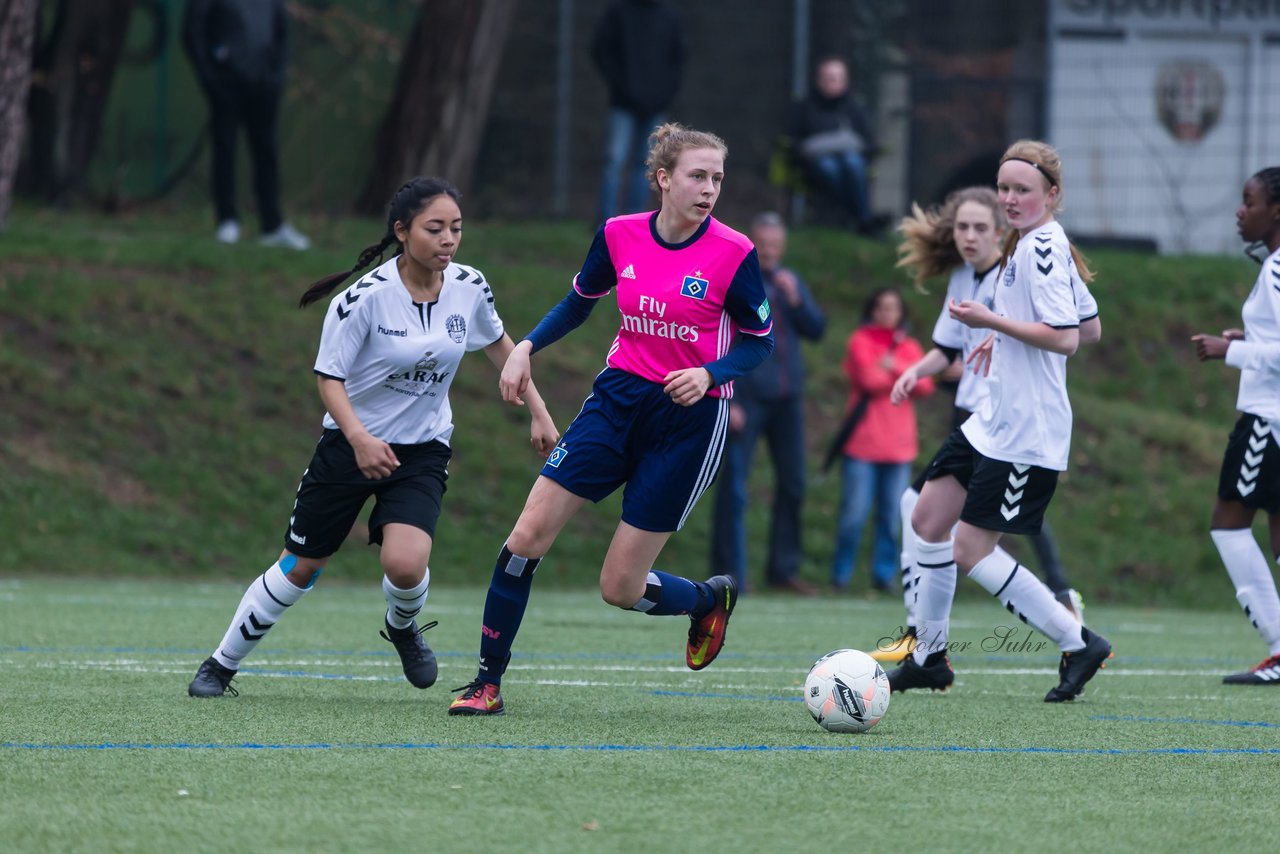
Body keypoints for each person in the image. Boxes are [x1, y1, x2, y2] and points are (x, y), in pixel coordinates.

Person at [448, 123, 775, 716]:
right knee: (525, 538)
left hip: (689, 420)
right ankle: (486, 682)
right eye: (698, 176)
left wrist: (710, 373)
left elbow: (760, 342)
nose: (709, 189)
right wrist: (526, 347)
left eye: (717, 178)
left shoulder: (735, 252)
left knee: (619, 589)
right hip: (617, 400)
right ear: (663, 179)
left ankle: (706, 599)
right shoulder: (620, 235)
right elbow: (580, 302)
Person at [186, 177, 559, 698]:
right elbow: (328, 378)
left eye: (456, 228)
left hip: (423, 449)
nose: (449, 239)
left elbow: (502, 347)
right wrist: (359, 438)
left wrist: (538, 413)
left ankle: (403, 629)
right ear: (402, 232)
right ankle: (220, 666)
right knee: (301, 566)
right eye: (435, 229)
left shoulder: (470, 286)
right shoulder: (362, 300)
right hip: (349, 448)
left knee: (406, 566)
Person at [883, 141, 1113, 703]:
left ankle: (1076, 639)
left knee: (969, 549)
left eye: (1022, 190)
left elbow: (1067, 341)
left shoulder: (1039, 251)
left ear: (1051, 195)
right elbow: (1090, 327)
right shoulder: (1030, 244)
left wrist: (994, 322)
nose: (1010, 198)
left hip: (1027, 430)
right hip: (990, 420)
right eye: (1004, 188)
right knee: (927, 519)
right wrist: (999, 335)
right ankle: (928, 656)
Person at [1191, 166, 1280, 685]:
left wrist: (1232, 350)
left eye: (1249, 202)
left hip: (1267, 419)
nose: (1239, 211)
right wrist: (1245, 336)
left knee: (1228, 524)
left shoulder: (1275, 270)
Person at [710, 212, 826, 596]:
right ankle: (728, 574)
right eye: (765, 245)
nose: (771, 252)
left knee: (793, 483)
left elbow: (817, 329)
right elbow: (724, 340)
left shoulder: (789, 281)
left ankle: (783, 569)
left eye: (777, 245)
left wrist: (797, 300)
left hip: (786, 398)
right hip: (747, 397)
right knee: (734, 489)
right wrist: (732, 398)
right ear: (753, 243)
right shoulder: (739, 279)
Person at [182, 0, 310, 249]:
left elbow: (281, 32)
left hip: (264, 83)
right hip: (226, 82)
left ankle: (272, 225)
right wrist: (211, 78)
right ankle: (227, 221)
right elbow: (192, 32)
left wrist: (275, 77)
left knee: (266, 151)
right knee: (225, 148)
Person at [830, 288, 934, 593]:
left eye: (894, 308)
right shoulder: (860, 340)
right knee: (854, 516)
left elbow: (926, 386)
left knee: (892, 519)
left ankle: (884, 576)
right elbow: (869, 380)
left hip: (899, 448)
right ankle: (840, 575)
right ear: (872, 310)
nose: (888, 313)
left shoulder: (909, 346)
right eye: (882, 307)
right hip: (862, 444)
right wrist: (906, 375)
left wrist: (893, 367)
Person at [591, 0, 685, 222]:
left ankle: (636, 220)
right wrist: (622, 87)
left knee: (649, 164)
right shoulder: (618, 12)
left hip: (655, 105)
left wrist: (664, 95)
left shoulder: (667, 16)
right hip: (622, 104)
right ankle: (605, 220)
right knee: (614, 160)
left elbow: (678, 59)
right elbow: (600, 51)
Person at [790, 56, 881, 234]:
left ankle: (854, 217)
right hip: (814, 166)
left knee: (852, 162)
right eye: (827, 77)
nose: (831, 82)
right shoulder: (805, 107)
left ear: (845, 81)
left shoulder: (854, 108)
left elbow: (867, 141)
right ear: (818, 80)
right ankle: (861, 217)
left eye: (836, 78)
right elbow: (796, 141)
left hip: (851, 163)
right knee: (829, 167)